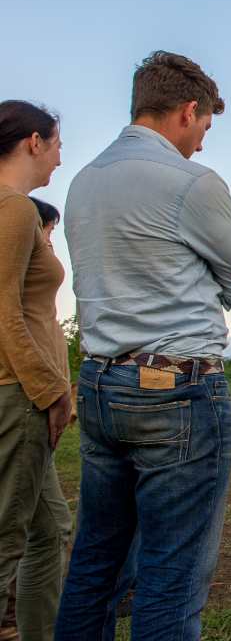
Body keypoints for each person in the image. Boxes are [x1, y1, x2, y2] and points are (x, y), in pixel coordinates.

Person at [57, 52, 231, 641]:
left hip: (101, 383)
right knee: (171, 578)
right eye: (203, 128)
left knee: (95, 564)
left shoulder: (83, 181)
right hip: (176, 390)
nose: (201, 143)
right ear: (187, 111)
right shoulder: (193, 184)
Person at [0, 101, 72, 641]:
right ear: (32, 142)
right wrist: (52, 391)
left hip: (23, 392)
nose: (58, 157)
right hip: (18, 394)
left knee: (50, 530)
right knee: (6, 541)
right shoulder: (15, 208)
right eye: (56, 144)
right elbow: (2, 311)